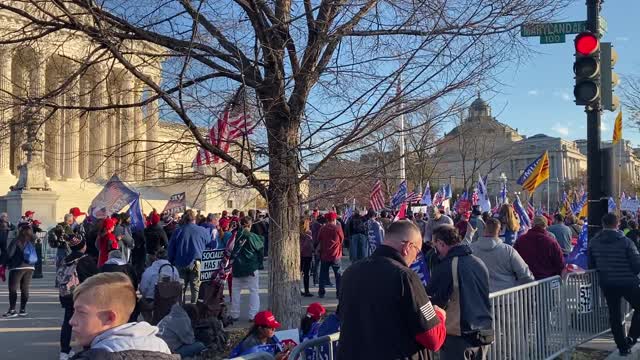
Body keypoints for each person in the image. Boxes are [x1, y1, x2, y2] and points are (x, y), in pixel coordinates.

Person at [339, 220, 446, 359]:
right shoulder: (406, 277)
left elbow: (343, 317)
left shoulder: (350, 272)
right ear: (408, 246)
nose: (415, 259)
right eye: (417, 252)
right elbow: (433, 338)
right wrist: (439, 315)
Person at [68, 272, 175, 359]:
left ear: (109, 318)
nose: (71, 321)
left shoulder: (96, 356)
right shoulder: (161, 347)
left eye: (81, 312)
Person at [427, 225, 493, 360]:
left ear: (441, 243)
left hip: (458, 335)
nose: (435, 251)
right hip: (483, 331)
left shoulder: (447, 266)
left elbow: (435, 300)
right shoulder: (478, 262)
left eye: (435, 246)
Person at [588, 213, 640, 356]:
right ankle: (632, 337)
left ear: (603, 224)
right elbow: (637, 265)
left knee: (614, 315)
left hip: (608, 283)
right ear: (617, 225)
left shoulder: (593, 242)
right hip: (628, 282)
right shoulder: (626, 242)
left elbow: (591, 264)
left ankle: (622, 347)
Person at [57, 234, 99, 360]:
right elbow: (96, 277)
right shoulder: (86, 260)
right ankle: (87, 349)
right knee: (88, 321)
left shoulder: (65, 260)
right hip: (83, 295)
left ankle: (64, 351)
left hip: (67, 294)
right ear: (83, 246)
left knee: (68, 322)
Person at [470, 218, 534, 292]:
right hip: (506, 298)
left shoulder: (471, 249)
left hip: (480, 298)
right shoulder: (508, 250)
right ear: (500, 232)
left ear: (484, 230)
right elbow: (525, 274)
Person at [168, 209, 209, 303]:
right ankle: (194, 308)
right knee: (195, 288)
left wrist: (171, 262)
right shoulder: (202, 230)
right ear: (194, 219)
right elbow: (211, 244)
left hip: (180, 263)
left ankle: (180, 309)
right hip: (196, 264)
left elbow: (171, 249)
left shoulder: (178, 231)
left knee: (180, 289)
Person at [230, 216, 264, 321]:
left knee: (235, 291)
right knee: (254, 291)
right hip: (251, 267)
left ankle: (234, 314)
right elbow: (260, 251)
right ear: (250, 225)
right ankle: (253, 315)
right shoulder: (253, 236)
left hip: (237, 268)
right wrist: (259, 264)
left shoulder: (234, 236)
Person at [3, 221, 38, 318]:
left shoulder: (17, 240)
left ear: (20, 229)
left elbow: (9, 254)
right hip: (30, 267)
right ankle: (22, 310)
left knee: (13, 289)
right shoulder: (32, 240)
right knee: (25, 289)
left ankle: (12, 310)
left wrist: (4, 264)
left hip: (17, 267)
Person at [139, 249, 181, 323]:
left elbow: (143, 289)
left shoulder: (149, 271)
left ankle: (149, 322)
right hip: (171, 301)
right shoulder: (174, 270)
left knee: (141, 303)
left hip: (153, 301)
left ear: (156, 257)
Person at [317, 212, 344, 299]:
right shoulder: (337, 228)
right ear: (334, 219)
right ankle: (338, 293)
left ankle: (321, 292)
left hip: (325, 255)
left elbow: (318, 239)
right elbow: (342, 239)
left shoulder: (322, 228)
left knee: (322, 274)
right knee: (338, 275)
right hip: (335, 255)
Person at [300, 218, 314, 297]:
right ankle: (306, 290)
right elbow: (307, 244)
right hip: (307, 255)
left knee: (299, 273)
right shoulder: (308, 232)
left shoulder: (298, 233)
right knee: (306, 273)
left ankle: (298, 289)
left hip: (299, 255)